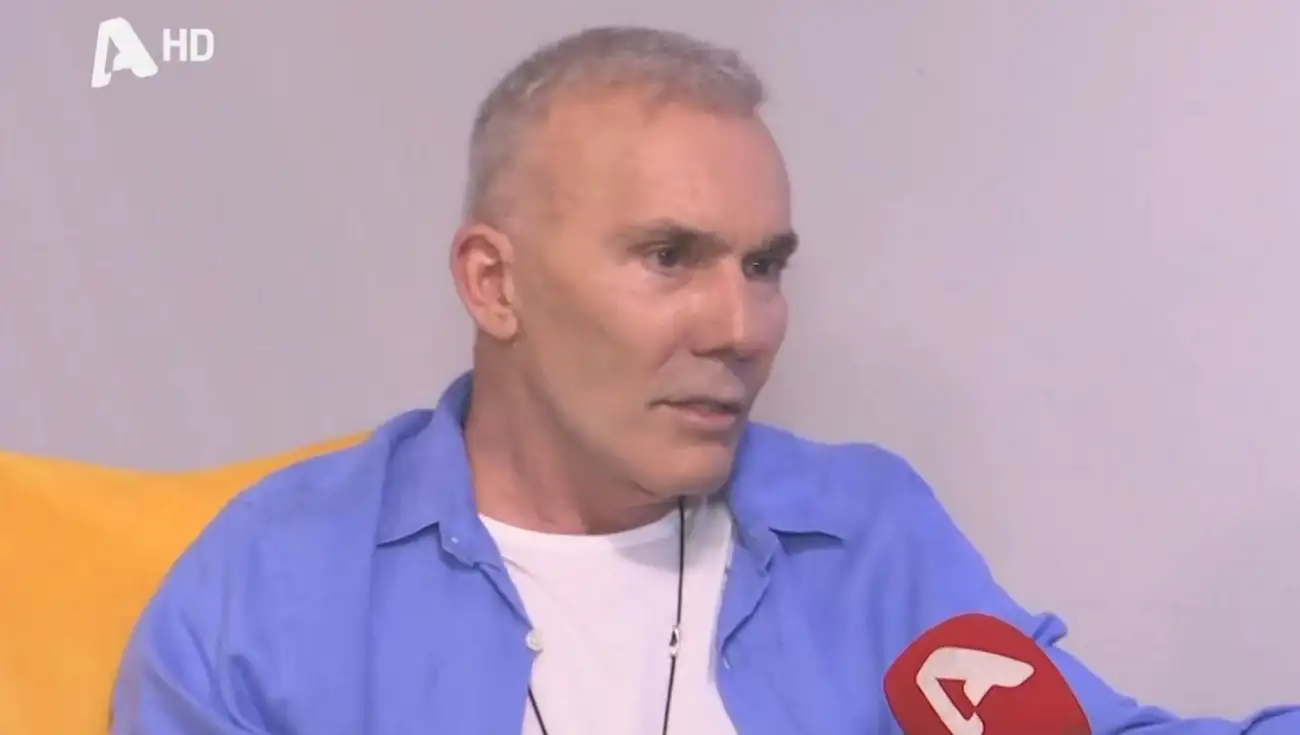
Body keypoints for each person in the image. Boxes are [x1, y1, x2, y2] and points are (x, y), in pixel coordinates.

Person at [111, 26, 1297, 734]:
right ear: (493, 283)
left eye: (764, 266)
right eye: (669, 256)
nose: (742, 327)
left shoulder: (861, 534)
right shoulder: (270, 589)